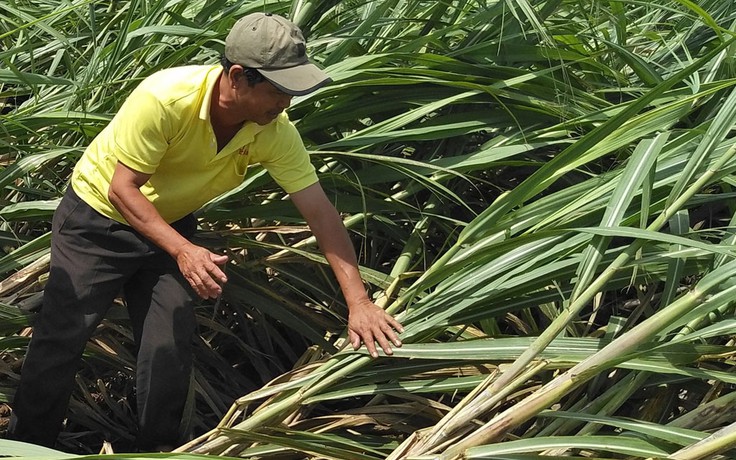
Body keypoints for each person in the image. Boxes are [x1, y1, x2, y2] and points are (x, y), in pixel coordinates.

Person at [8, 12, 403, 452]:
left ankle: (156, 449)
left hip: (171, 226)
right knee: (63, 337)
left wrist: (359, 302)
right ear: (238, 77)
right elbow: (123, 189)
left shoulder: (271, 130)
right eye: (279, 89)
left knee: (169, 342)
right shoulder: (165, 99)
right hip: (97, 220)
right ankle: (28, 445)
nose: (287, 103)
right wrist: (185, 252)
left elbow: (320, 212)